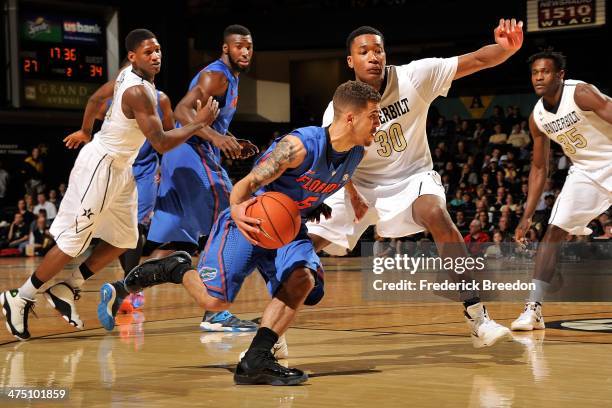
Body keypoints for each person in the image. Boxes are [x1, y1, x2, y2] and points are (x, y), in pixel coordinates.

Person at [98, 80, 381, 385]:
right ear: (351, 118)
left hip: (286, 227)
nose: (379, 123)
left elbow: (337, 172)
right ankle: (175, 267)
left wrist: (341, 196)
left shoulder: (358, 152)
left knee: (304, 281)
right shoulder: (296, 147)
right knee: (214, 303)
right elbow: (245, 186)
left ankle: (256, 359)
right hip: (249, 217)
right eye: (375, 117)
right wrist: (236, 211)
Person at [307, 19, 524, 347]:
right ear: (350, 61)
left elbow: (478, 59)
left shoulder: (414, 76)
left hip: (412, 177)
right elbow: (333, 162)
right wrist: (348, 194)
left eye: (378, 50)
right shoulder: (337, 109)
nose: (373, 57)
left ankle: (478, 317)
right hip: (360, 184)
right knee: (305, 245)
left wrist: (506, 50)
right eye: (363, 52)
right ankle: (273, 331)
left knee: (436, 214)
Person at [0, 28, 219, 340]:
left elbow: (94, 98)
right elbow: (159, 142)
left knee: (124, 239)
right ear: (132, 56)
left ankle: (69, 285)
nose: (156, 56)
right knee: (72, 243)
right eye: (148, 52)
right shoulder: (137, 92)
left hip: (120, 168)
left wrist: (85, 130)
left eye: (158, 50)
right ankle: (19, 298)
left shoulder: (131, 77)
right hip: (101, 166)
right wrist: (198, 124)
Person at [143, 24, 259, 332]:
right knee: (228, 221)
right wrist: (217, 141)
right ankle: (215, 313)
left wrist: (230, 139)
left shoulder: (228, 78)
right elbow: (182, 110)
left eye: (248, 46)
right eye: (238, 46)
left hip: (180, 158)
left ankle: (122, 292)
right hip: (191, 156)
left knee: (173, 241)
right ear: (226, 48)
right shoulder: (216, 76)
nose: (245, 51)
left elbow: (207, 122)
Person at [511, 50, 612, 331]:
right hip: (586, 172)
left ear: (560, 75)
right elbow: (540, 169)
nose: (539, 77)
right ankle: (533, 308)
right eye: (534, 73)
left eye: (545, 71)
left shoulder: (581, 93)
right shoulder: (538, 118)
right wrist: (527, 216)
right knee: (553, 231)